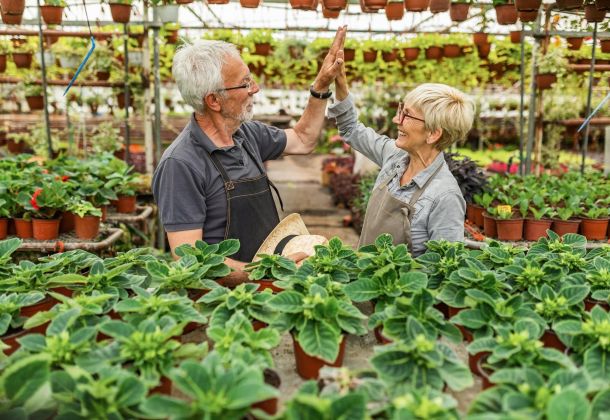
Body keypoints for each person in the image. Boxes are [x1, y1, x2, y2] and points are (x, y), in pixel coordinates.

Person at [152, 27, 346, 285]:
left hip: (267, 285)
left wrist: (320, 86)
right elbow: (190, 262)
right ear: (214, 100)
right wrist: (266, 271)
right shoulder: (181, 165)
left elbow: (303, 139)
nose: (255, 88)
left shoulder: (247, 135)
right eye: (245, 83)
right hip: (224, 304)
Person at [327, 62, 475, 257]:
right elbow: (351, 130)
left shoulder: (445, 197)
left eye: (407, 115)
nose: (397, 120)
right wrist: (341, 83)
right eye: (401, 110)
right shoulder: (394, 156)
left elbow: (444, 271)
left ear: (433, 134)